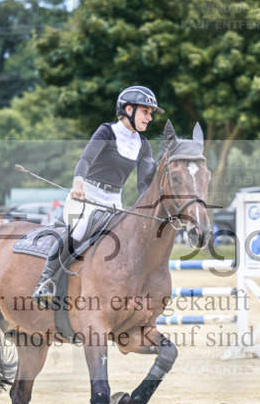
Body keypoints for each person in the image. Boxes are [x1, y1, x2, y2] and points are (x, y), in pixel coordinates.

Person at [32, 85, 163, 305]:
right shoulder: (107, 132)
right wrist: (78, 183)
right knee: (78, 230)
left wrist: (148, 208)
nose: (149, 118)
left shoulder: (142, 145)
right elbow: (86, 160)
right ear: (128, 109)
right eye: (145, 112)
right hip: (86, 196)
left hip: (114, 202)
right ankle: (46, 282)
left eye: (150, 113)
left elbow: (143, 185)